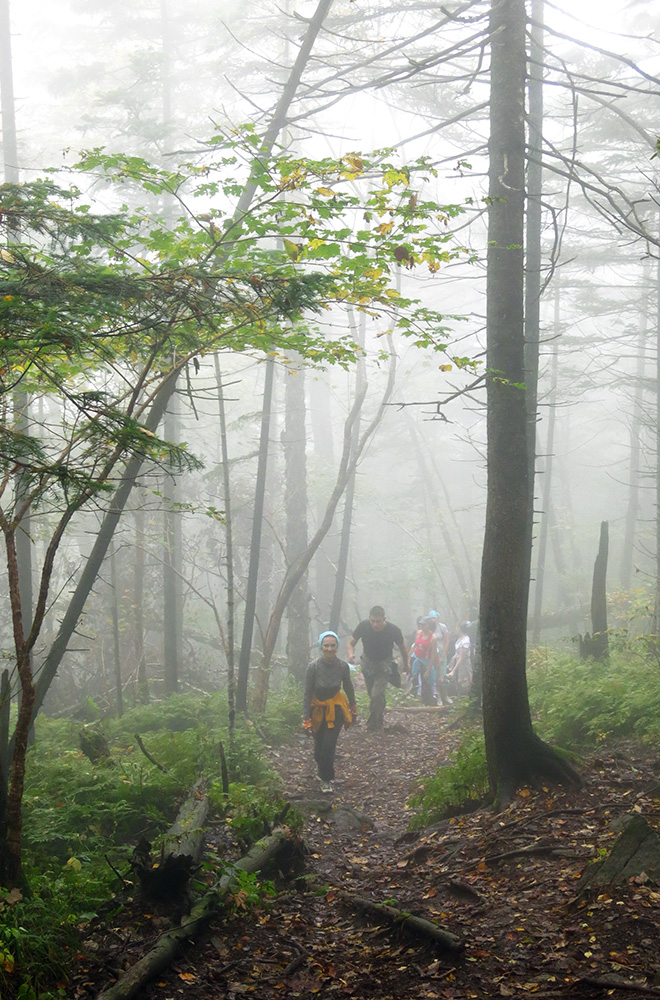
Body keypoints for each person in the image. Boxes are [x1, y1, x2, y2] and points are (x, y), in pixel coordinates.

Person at [303, 631, 357, 793]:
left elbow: (348, 687)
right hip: (317, 710)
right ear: (321, 647)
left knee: (328, 746)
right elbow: (307, 693)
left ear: (337, 647)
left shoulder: (342, 666)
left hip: (336, 709)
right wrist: (305, 717)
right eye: (326, 645)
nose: (329, 649)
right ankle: (322, 770)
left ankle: (326, 779)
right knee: (319, 749)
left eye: (333, 645)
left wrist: (353, 706)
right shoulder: (312, 667)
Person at [347, 606, 409, 731]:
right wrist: (350, 654)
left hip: (384, 664)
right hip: (367, 662)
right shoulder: (364, 626)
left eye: (378, 621)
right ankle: (378, 717)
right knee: (372, 694)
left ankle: (374, 724)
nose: (375, 624)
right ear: (369, 619)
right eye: (372, 621)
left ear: (384, 619)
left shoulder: (393, 630)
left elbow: (403, 647)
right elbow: (351, 643)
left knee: (376, 694)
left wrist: (407, 664)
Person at [410, 616, 438, 706]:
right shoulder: (418, 633)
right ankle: (415, 700)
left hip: (426, 661)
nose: (422, 626)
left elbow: (433, 655)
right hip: (416, 658)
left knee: (426, 682)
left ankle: (428, 702)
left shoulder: (433, 638)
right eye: (421, 624)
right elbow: (414, 646)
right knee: (414, 679)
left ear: (429, 625)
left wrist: (429, 669)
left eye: (424, 625)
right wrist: (408, 659)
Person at [427, 610, 452, 706]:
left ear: (437, 618)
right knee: (434, 676)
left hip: (441, 652)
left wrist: (442, 656)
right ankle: (438, 697)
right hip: (432, 654)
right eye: (431, 618)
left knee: (443, 674)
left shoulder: (442, 627)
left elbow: (446, 642)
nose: (432, 620)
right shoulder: (428, 628)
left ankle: (446, 695)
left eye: (434, 618)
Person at [446, 621, 472, 696]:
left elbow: (461, 657)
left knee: (465, 682)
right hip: (457, 662)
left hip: (463, 664)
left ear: (460, 629)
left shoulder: (465, 640)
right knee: (458, 682)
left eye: (457, 627)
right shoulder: (460, 639)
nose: (456, 629)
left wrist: (453, 671)